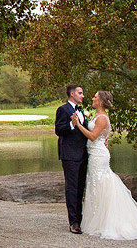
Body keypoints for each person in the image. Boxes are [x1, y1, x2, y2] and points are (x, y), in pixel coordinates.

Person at [74, 90, 137, 240]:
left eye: (95, 97)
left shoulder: (102, 118)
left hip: (99, 155)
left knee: (101, 183)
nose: (92, 99)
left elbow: (93, 136)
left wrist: (77, 124)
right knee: (96, 184)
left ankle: (106, 221)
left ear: (101, 101)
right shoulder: (97, 116)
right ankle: (98, 219)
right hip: (94, 154)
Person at [54, 83, 89, 234]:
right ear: (72, 94)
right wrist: (71, 124)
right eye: (80, 93)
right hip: (70, 155)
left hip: (83, 154)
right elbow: (58, 130)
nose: (83, 95)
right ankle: (73, 222)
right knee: (72, 189)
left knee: (81, 188)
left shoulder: (81, 111)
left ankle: (80, 220)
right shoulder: (63, 109)